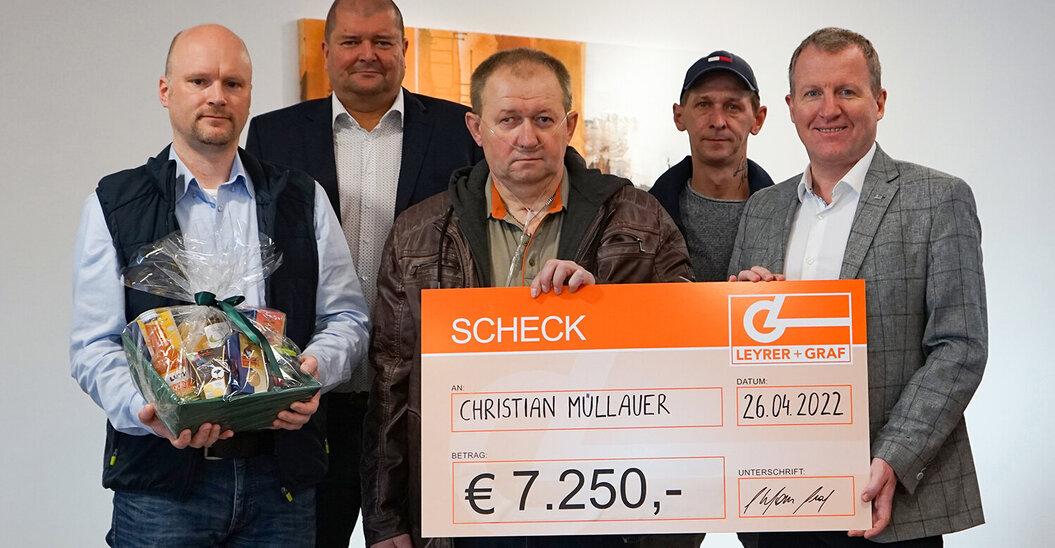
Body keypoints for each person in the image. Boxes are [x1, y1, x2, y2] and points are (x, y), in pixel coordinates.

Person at [361, 47, 692, 548]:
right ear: (476, 129)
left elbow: (686, 352)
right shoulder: (418, 234)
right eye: (508, 120)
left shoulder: (639, 218)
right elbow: (391, 381)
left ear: (569, 125)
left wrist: (606, 309)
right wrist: (385, 519)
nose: (527, 137)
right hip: (469, 503)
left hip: (603, 505)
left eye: (543, 119)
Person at [69, 24, 370, 546]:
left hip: (281, 482)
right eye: (199, 81)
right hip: (162, 487)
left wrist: (312, 374)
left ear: (249, 95)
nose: (217, 96)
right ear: (166, 90)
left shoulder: (302, 197)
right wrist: (148, 411)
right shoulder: (115, 202)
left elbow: (347, 318)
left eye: (233, 83)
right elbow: (94, 344)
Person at [728, 27, 986, 547]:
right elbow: (733, 354)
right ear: (791, 107)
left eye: (846, 91)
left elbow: (960, 348)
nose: (829, 109)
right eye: (812, 93)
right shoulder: (762, 209)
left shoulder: (938, 200)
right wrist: (739, 305)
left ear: (879, 101)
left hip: (889, 506)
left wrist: (894, 456)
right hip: (778, 502)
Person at [246, 2, 480, 542]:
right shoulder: (273, 136)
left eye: (382, 41)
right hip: (310, 398)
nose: (367, 54)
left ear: (405, 49)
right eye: (351, 42)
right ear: (326, 51)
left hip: (421, 398)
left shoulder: (458, 131)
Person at [650, 51, 773, 283]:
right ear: (679, 116)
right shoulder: (641, 219)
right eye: (703, 104)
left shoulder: (789, 217)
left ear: (758, 119)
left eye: (733, 107)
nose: (718, 121)